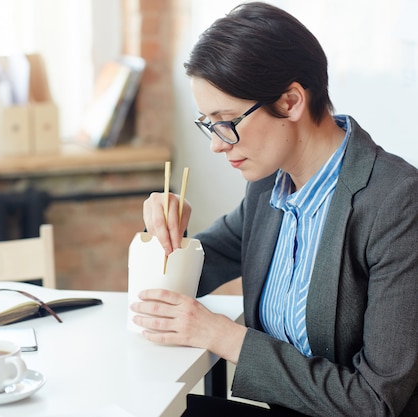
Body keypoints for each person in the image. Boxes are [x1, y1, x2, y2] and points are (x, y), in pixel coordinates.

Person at [129, 2, 418, 416]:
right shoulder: (269, 186)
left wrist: (225, 336)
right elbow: (191, 276)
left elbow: (375, 402)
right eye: (208, 123)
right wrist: (166, 236)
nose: (216, 143)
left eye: (226, 121)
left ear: (290, 102)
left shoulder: (397, 203)